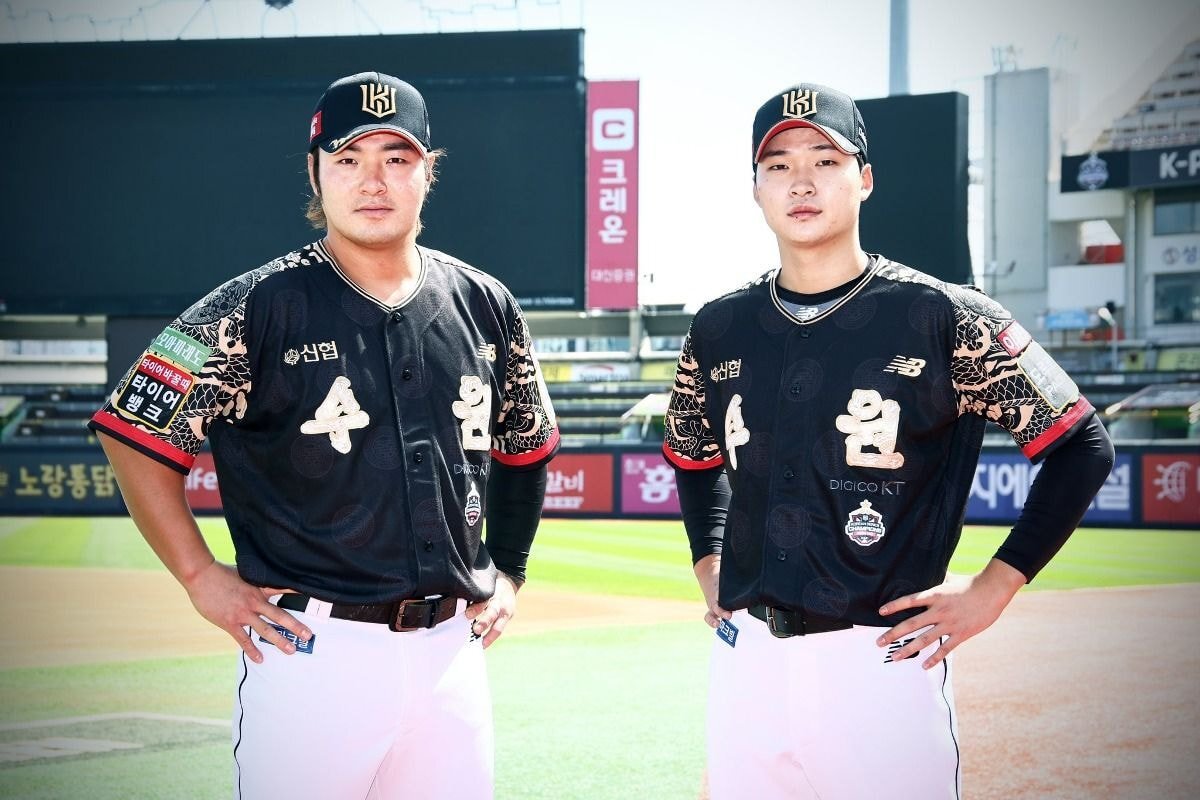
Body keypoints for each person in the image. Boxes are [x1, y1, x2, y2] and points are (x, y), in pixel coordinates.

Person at [89, 71, 559, 799]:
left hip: (451, 655)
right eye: (347, 158)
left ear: (428, 172)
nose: (373, 180)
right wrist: (199, 575)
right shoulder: (251, 306)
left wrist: (513, 571)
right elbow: (131, 426)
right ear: (316, 173)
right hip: (312, 652)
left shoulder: (485, 302)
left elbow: (527, 443)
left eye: (396, 158)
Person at [662, 82, 1114, 799]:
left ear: (864, 179)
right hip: (746, 659)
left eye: (826, 161)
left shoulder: (944, 315)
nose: (801, 182)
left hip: (881, 659)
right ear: (756, 189)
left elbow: (1081, 444)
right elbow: (693, 456)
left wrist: (994, 587)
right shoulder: (719, 326)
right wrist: (708, 559)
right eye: (778, 165)